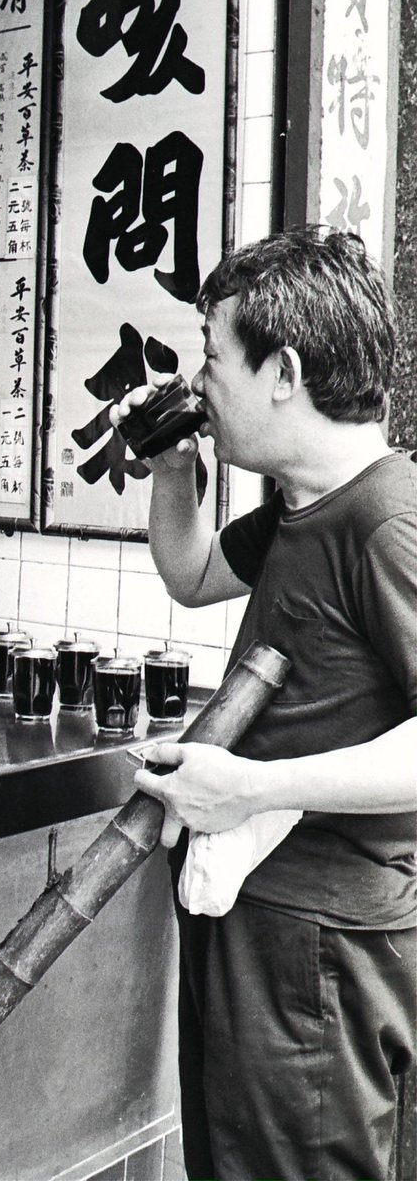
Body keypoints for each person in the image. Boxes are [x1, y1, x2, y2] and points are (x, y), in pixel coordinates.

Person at [110, 227, 416, 1181]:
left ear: (282, 370)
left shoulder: (384, 518)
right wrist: (170, 469)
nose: (199, 384)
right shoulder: (300, 503)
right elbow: (193, 573)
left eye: (212, 357)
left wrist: (247, 787)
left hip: (321, 955)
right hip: (260, 922)